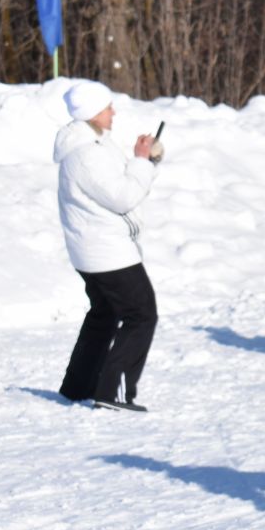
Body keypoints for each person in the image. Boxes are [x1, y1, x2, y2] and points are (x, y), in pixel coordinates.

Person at [55, 81, 162, 411]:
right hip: (106, 252)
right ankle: (113, 392)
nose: (113, 112)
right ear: (90, 113)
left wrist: (146, 160)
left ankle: (79, 386)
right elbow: (124, 197)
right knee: (141, 314)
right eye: (106, 108)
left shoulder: (95, 146)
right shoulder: (87, 155)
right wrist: (142, 161)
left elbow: (123, 184)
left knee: (105, 313)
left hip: (97, 249)